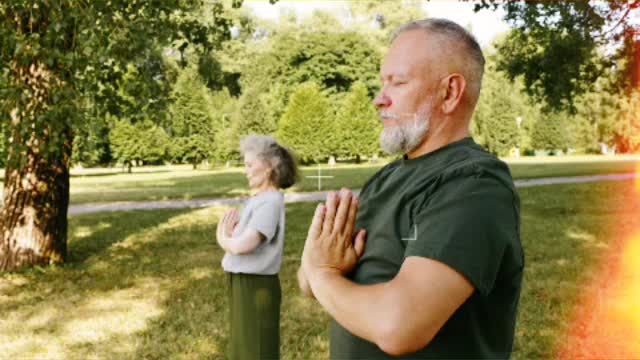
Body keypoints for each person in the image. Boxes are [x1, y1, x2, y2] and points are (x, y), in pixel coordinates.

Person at [298, 18, 524, 359]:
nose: (379, 100)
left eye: (397, 83)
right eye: (382, 83)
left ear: (449, 92)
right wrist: (319, 272)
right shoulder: (388, 178)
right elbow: (306, 279)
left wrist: (324, 275)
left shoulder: (475, 185)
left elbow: (398, 326)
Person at [216, 134, 298, 360]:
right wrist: (235, 232)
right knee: (242, 342)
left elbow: (247, 244)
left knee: (256, 345)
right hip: (243, 279)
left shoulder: (270, 202)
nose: (246, 170)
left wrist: (225, 240)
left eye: (250, 164)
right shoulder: (259, 200)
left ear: (269, 167)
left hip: (256, 285)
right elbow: (246, 236)